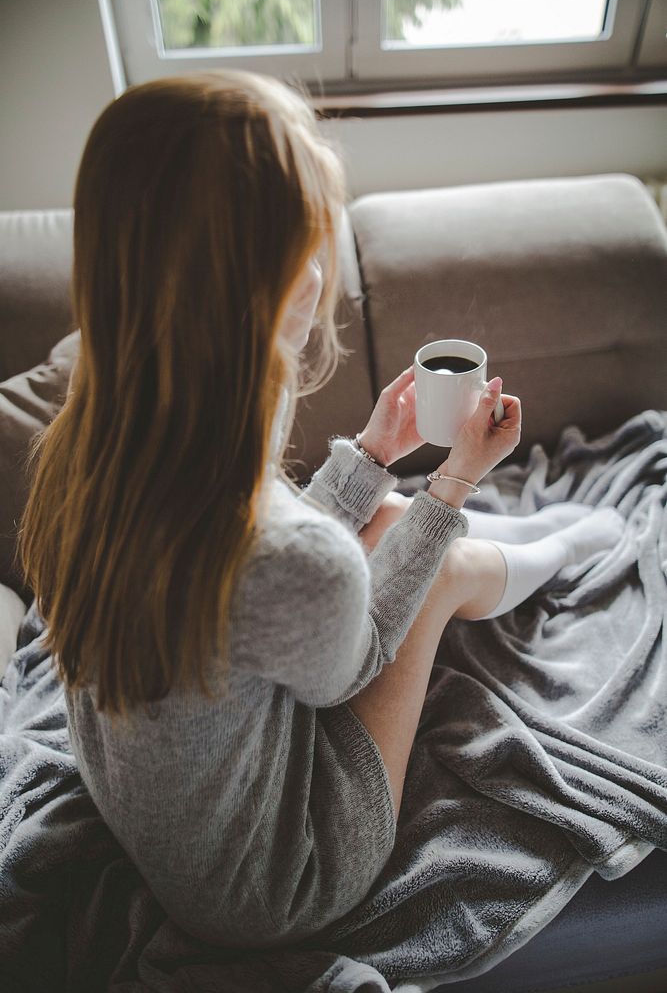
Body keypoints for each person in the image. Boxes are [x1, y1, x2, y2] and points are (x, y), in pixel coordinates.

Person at [15, 70, 624, 950]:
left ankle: (530, 537)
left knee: (386, 524)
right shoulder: (281, 549)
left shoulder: (86, 450)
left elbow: (262, 585)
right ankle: (566, 546)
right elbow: (346, 657)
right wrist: (451, 484)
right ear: (284, 288)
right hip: (280, 876)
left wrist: (375, 458)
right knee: (436, 559)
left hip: (160, 813)